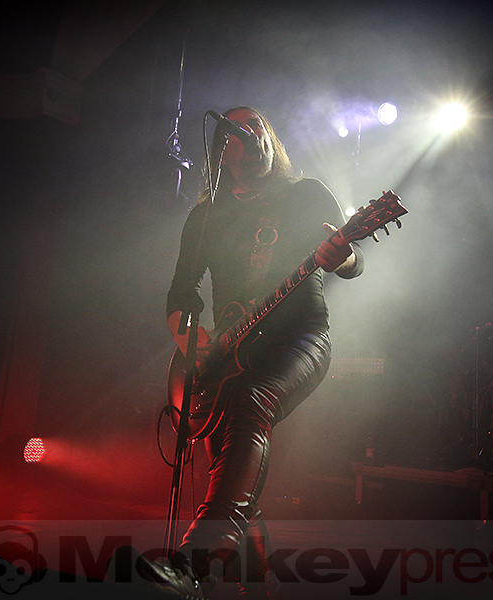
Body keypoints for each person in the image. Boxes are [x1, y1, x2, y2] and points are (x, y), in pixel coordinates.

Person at [139, 107, 364, 598]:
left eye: (258, 126)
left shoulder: (304, 193)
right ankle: (259, 584)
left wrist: (341, 254)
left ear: (270, 140)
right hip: (227, 352)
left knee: (250, 405)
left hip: (300, 336)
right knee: (231, 469)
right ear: (223, 147)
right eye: (236, 130)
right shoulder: (206, 216)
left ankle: (192, 565)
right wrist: (192, 343)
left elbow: (354, 260)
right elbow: (181, 293)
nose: (250, 133)